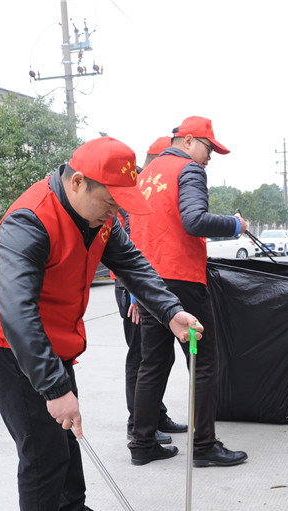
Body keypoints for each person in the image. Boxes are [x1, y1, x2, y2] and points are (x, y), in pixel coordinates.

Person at [0, 136, 202, 511]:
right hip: (12, 347)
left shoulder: (100, 219)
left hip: (56, 341)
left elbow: (132, 264)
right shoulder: (29, 221)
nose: (114, 213)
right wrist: (53, 387)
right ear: (78, 182)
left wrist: (170, 311)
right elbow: (17, 312)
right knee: (42, 448)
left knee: (67, 432)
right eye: (110, 201)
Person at [129, 116, 249, 467]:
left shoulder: (145, 176)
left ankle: (142, 442)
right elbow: (194, 220)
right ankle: (204, 446)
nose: (209, 157)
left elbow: (137, 233)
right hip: (181, 280)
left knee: (152, 363)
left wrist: (136, 289)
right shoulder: (189, 169)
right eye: (209, 148)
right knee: (204, 363)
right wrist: (236, 225)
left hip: (149, 282)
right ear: (189, 141)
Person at [114, 136, 186, 446]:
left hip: (147, 285)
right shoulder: (136, 187)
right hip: (133, 288)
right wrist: (136, 294)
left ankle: (156, 415)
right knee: (142, 357)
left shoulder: (147, 186)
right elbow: (134, 245)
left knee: (160, 357)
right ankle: (138, 424)